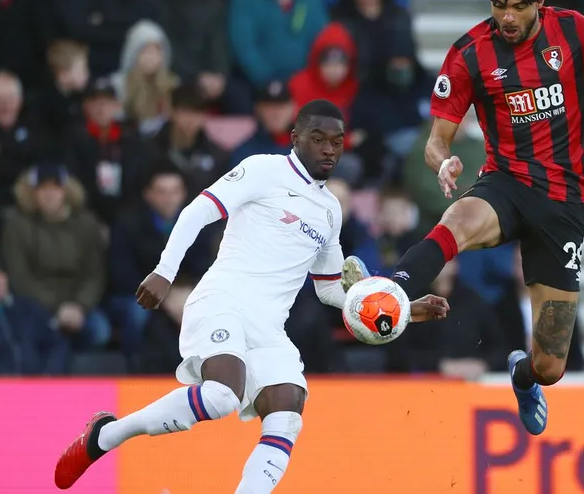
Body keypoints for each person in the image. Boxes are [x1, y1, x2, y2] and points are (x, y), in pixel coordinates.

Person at [341, 0, 584, 436]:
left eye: (518, 6)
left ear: (539, 2)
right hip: (507, 182)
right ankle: (388, 292)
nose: (507, 16)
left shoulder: (574, 29)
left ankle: (522, 376)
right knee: (456, 222)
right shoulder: (470, 52)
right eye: (499, 4)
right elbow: (437, 140)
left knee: (551, 366)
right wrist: (444, 160)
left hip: (564, 201)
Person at [54, 99, 450, 492]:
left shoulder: (331, 211)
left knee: (288, 411)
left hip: (269, 328)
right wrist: (164, 272)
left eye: (337, 141)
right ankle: (106, 435)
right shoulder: (263, 169)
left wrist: (402, 309)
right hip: (221, 301)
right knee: (222, 397)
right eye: (318, 138)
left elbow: (329, 287)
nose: (329, 148)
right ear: (295, 138)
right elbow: (197, 211)